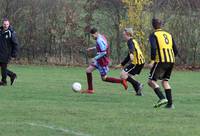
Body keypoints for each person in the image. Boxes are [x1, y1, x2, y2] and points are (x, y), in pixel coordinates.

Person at [81, 27, 128, 94]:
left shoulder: (99, 40)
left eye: (92, 35)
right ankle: (90, 90)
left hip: (102, 62)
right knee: (88, 70)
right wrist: (92, 48)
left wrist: (95, 58)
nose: (92, 37)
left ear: (96, 33)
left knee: (104, 78)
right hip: (99, 60)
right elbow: (102, 47)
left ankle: (121, 81)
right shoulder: (101, 37)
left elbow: (103, 52)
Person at [148, 18, 178, 109]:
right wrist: (170, 57)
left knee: (151, 81)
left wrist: (152, 60)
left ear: (153, 26)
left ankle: (162, 98)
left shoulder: (153, 35)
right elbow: (176, 50)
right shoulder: (169, 34)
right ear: (161, 25)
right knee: (165, 81)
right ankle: (170, 104)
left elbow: (153, 48)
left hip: (161, 60)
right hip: (171, 60)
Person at [115, 28, 145, 96]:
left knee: (122, 75)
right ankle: (138, 92)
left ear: (128, 34)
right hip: (140, 62)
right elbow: (129, 55)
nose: (123, 36)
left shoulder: (130, 41)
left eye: (124, 35)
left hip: (137, 62)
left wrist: (131, 54)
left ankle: (138, 84)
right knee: (130, 76)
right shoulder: (133, 40)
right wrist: (122, 64)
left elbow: (131, 49)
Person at [0, 18, 19, 86]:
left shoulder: (11, 33)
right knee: (3, 68)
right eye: (4, 24)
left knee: (3, 67)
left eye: (7, 24)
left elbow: (15, 44)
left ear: (9, 24)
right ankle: (12, 75)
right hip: (0, 53)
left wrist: (14, 54)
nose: (6, 25)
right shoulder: (0, 31)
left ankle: (4, 81)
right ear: (2, 24)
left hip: (6, 54)